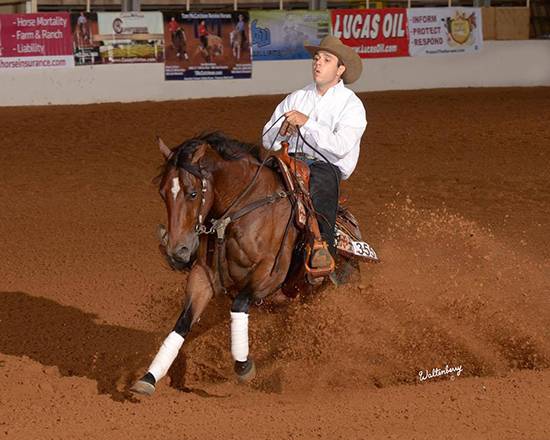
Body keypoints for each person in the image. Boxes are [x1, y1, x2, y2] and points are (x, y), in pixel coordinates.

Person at [262, 35, 367, 274]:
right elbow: (267, 138)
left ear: (340, 69)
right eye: (317, 58)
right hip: (290, 161)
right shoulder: (296, 97)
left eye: (326, 60)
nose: (317, 63)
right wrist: (281, 131)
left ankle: (322, 249)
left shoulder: (351, 105)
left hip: (325, 167)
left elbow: (340, 146)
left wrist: (306, 123)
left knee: (321, 191)